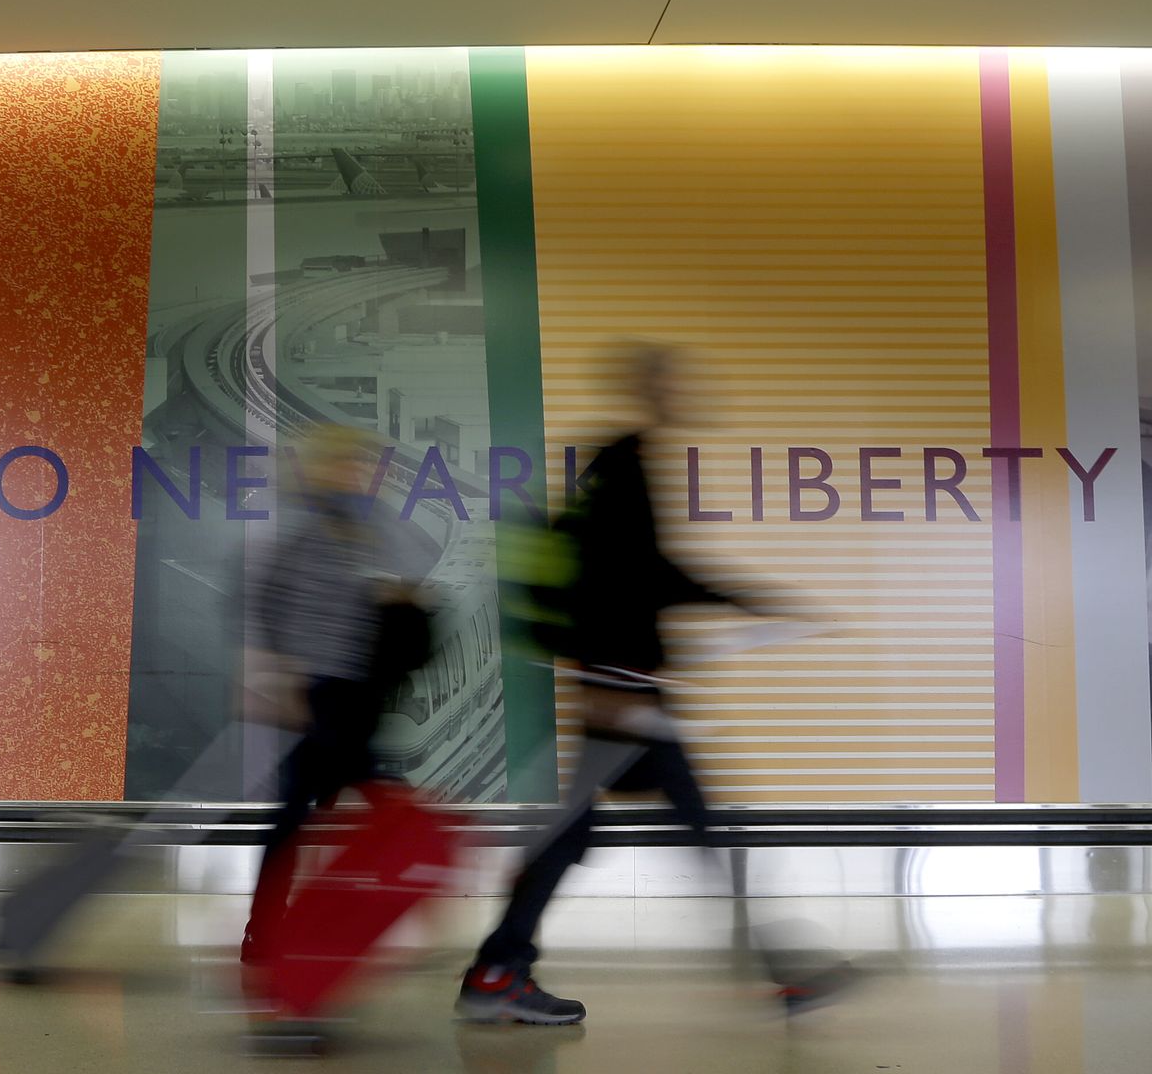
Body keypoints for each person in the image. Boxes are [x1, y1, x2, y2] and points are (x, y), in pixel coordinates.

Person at [456, 342, 852, 1025]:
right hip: (623, 695)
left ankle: (496, 971)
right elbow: (623, 577)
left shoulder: (627, 461)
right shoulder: (624, 461)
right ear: (649, 386)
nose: (685, 388)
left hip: (625, 690)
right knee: (693, 828)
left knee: (589, 836)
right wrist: (744, 601)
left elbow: (646, 570)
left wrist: (746, 600)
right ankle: (784, 972)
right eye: (673, 378)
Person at [240, 425, 424, 966]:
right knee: (347, 807)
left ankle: (274, 929)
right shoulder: (311, 535)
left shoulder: (367, 532)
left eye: (361, 466)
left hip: (355, 696)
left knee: (303, 813)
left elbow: (392, 605)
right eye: (346, 465)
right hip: (326, 696)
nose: (358, 475)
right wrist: (290, 678)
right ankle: (282, 929)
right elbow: (270, 604)